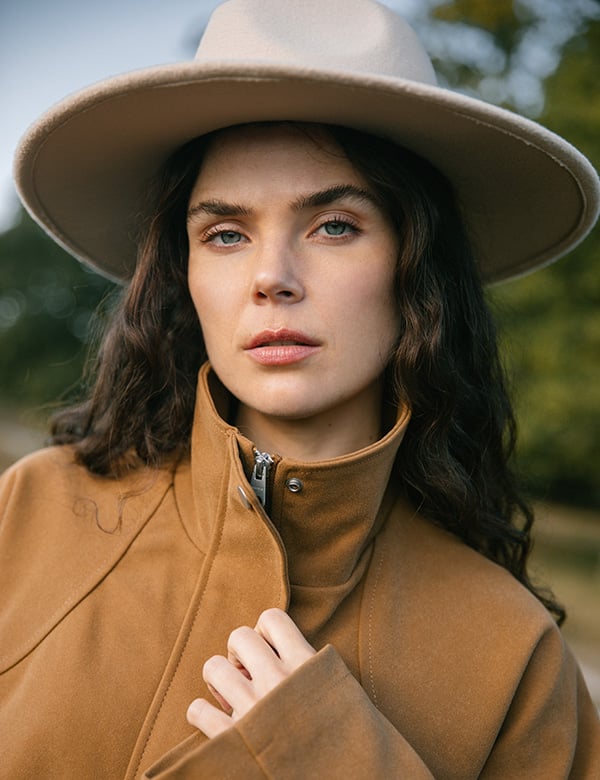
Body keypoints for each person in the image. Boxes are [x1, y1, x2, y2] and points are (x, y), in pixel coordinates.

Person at [2, 0, 599, 777]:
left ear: (418, 268)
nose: (271, 279)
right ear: (183, 275)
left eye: (335, 226)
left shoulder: (518, 657)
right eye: (225, 234)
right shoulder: (30, 513)